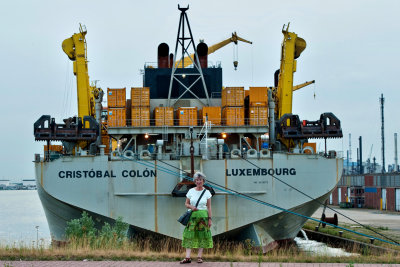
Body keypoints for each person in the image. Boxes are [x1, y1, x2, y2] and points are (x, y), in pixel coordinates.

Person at [180, 171, 213, 264]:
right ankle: (187, 257)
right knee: (189, 235)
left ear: (203, 181)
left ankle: (199, 257)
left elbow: (209, 207)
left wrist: (210, 219)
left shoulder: (207, 192)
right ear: (195, 181)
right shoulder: (191, 191)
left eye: (200, 180)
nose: (199, 181)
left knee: (202, 236)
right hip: (193, 216)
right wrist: (192, 207)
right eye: (197, 180)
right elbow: (186, 204)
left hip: (203, 217)